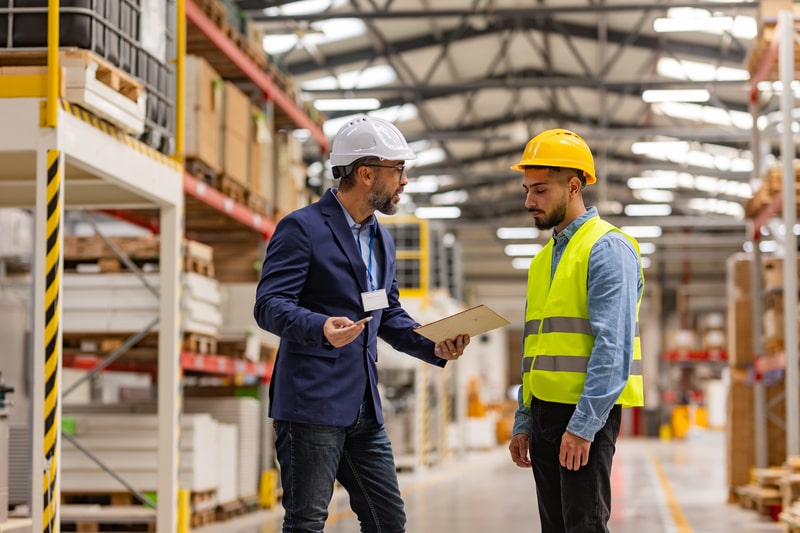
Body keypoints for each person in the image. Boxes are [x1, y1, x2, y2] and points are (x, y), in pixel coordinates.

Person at [254, 114, 470, 533]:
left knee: (387, 520)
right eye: (399, 170)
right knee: (306, 523)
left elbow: (386, 312)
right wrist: (319, 327)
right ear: (367, 173)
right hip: (311, 405)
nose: (404, 181)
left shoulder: (381, 238)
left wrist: (433, 345)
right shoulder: (302, 228)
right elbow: (269, 305)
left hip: (364, 409)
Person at [506, 129, 644, 533]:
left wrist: (583, 427)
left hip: (586, 415)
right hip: (546, 411)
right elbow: (534, 349)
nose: (529, 201)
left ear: (573, 185)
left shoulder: (606, 248)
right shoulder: (544, 259)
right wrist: (524, 417)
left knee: (583, 525)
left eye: (540, 190)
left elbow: (612, 347)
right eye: (527, 189)